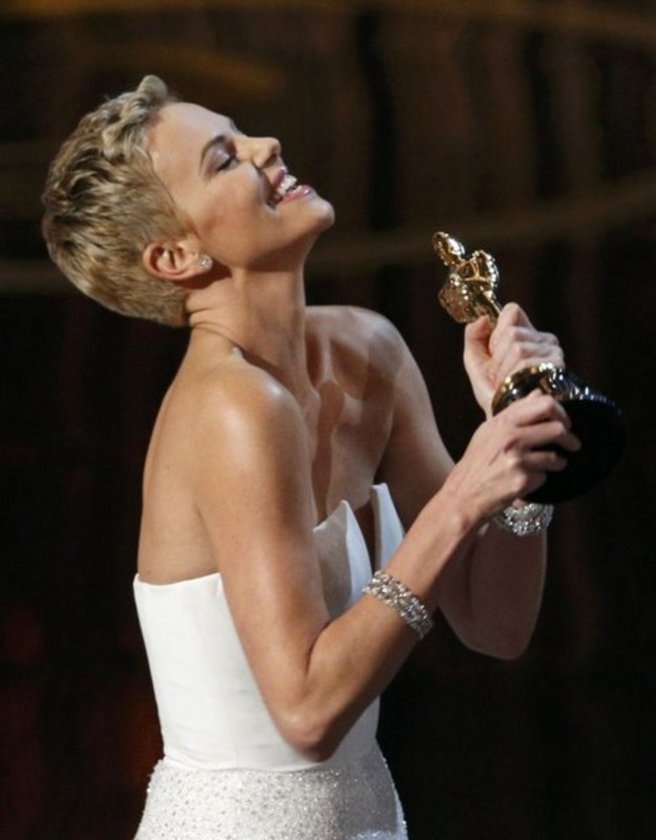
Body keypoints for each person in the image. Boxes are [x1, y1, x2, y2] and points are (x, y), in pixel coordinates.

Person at [41, 75, 579, 840]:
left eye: (243, 133)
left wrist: (519, 452)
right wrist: (465, 494)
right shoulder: (232, 407)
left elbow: (496, 623)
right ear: (176, 256)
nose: (267, 147)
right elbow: (308, 714)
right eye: (225, 159)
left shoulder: (367, 351)